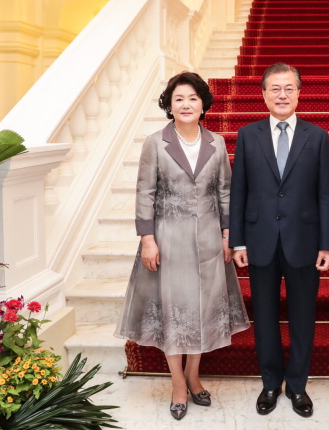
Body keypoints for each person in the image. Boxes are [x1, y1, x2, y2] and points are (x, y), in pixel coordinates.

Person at [114, 71, 250, 421]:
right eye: (179, 99)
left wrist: (227, 235)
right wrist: (147, 239)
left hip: (208, 240)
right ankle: (178, 383)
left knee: (201, 309)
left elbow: (225, 193)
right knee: (175, 312)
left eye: (192, 98)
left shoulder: (216, 143)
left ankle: (193, 375)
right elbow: (145, 191)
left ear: (203, 103)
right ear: (169, 106)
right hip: (168, 240)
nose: (186, 104)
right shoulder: (156, 143)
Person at [229, 62, 329, 418]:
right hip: (259, 240)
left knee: (303, 316)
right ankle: (271, 383)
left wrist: (326, 244)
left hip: (304, 239)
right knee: (265, 315)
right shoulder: (248, 135)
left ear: (299, 93)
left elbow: (325, 194)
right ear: (262, 94)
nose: (282, 95)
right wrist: (239, 242)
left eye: (289, 88)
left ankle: (298, 385)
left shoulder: (317, 135)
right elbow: (239, 191)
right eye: (275, 88)